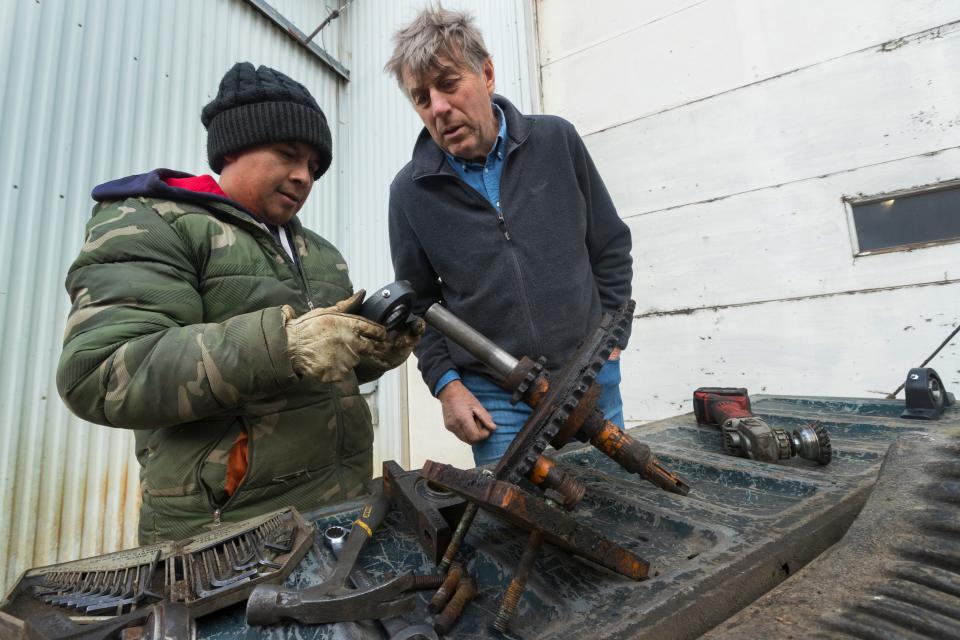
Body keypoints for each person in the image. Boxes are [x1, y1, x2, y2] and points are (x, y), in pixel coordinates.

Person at [56, 62, 422, 544]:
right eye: (287, 154)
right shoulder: (152, 225)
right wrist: (283, 346)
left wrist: (369, 352)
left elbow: (318, 371)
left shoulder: (320, 253)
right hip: (228, 532)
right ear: (230, 148)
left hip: (335, 511)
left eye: (313, 166)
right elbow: (98, 374)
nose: (303, 177)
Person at [385, 8, 633, 466]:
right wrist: (447, 385)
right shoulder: (409, 194)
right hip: (495, 397)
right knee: (513, 531)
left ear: (487, 73)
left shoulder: (558, 141)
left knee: (611, 506)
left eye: (448, 83)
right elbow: (420, 307)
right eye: (422, 98)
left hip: (590, 376)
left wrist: (613, 340)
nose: (438, 107)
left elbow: (610, 243)